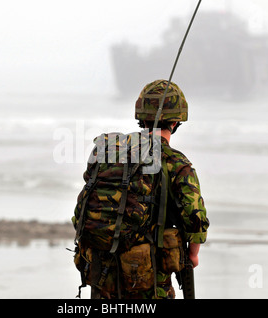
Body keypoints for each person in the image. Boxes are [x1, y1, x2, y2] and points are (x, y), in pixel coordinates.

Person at [73, 79, 209, 299]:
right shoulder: (175, 162)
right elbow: (195, 218)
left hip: (102, 275)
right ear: (175, 122)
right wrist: (193, 255)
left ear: (141, 117)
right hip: (149, 281)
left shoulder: (114, 152)